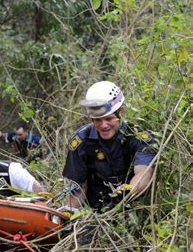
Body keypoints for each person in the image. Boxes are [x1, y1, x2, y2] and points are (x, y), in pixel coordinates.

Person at [62, 81, 157, 212]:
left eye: (109, 119)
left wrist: (125, 195)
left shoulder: (139, 137)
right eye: (97, 120)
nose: (103, 125)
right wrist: (67, 213)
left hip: (132, 208)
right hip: (94, 211)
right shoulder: (81, 141)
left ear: (121, 113)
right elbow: (79, 187)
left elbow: (144, 174)